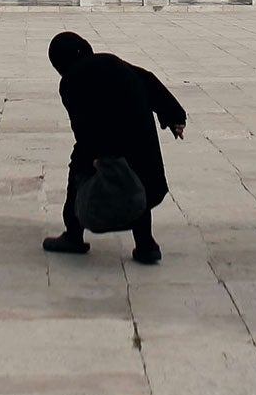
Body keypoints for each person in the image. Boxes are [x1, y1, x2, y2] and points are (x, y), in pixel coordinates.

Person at [42, 31, 186, 265]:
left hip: (109, 142)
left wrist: (96, 156)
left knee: (78, 171)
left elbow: (83, 123)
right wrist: (174, 116)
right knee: (137, 183)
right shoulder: (111, 61)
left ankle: (73, 236)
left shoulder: (71, 80)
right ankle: (146, 245)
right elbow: (148, 80)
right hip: (140, 139)